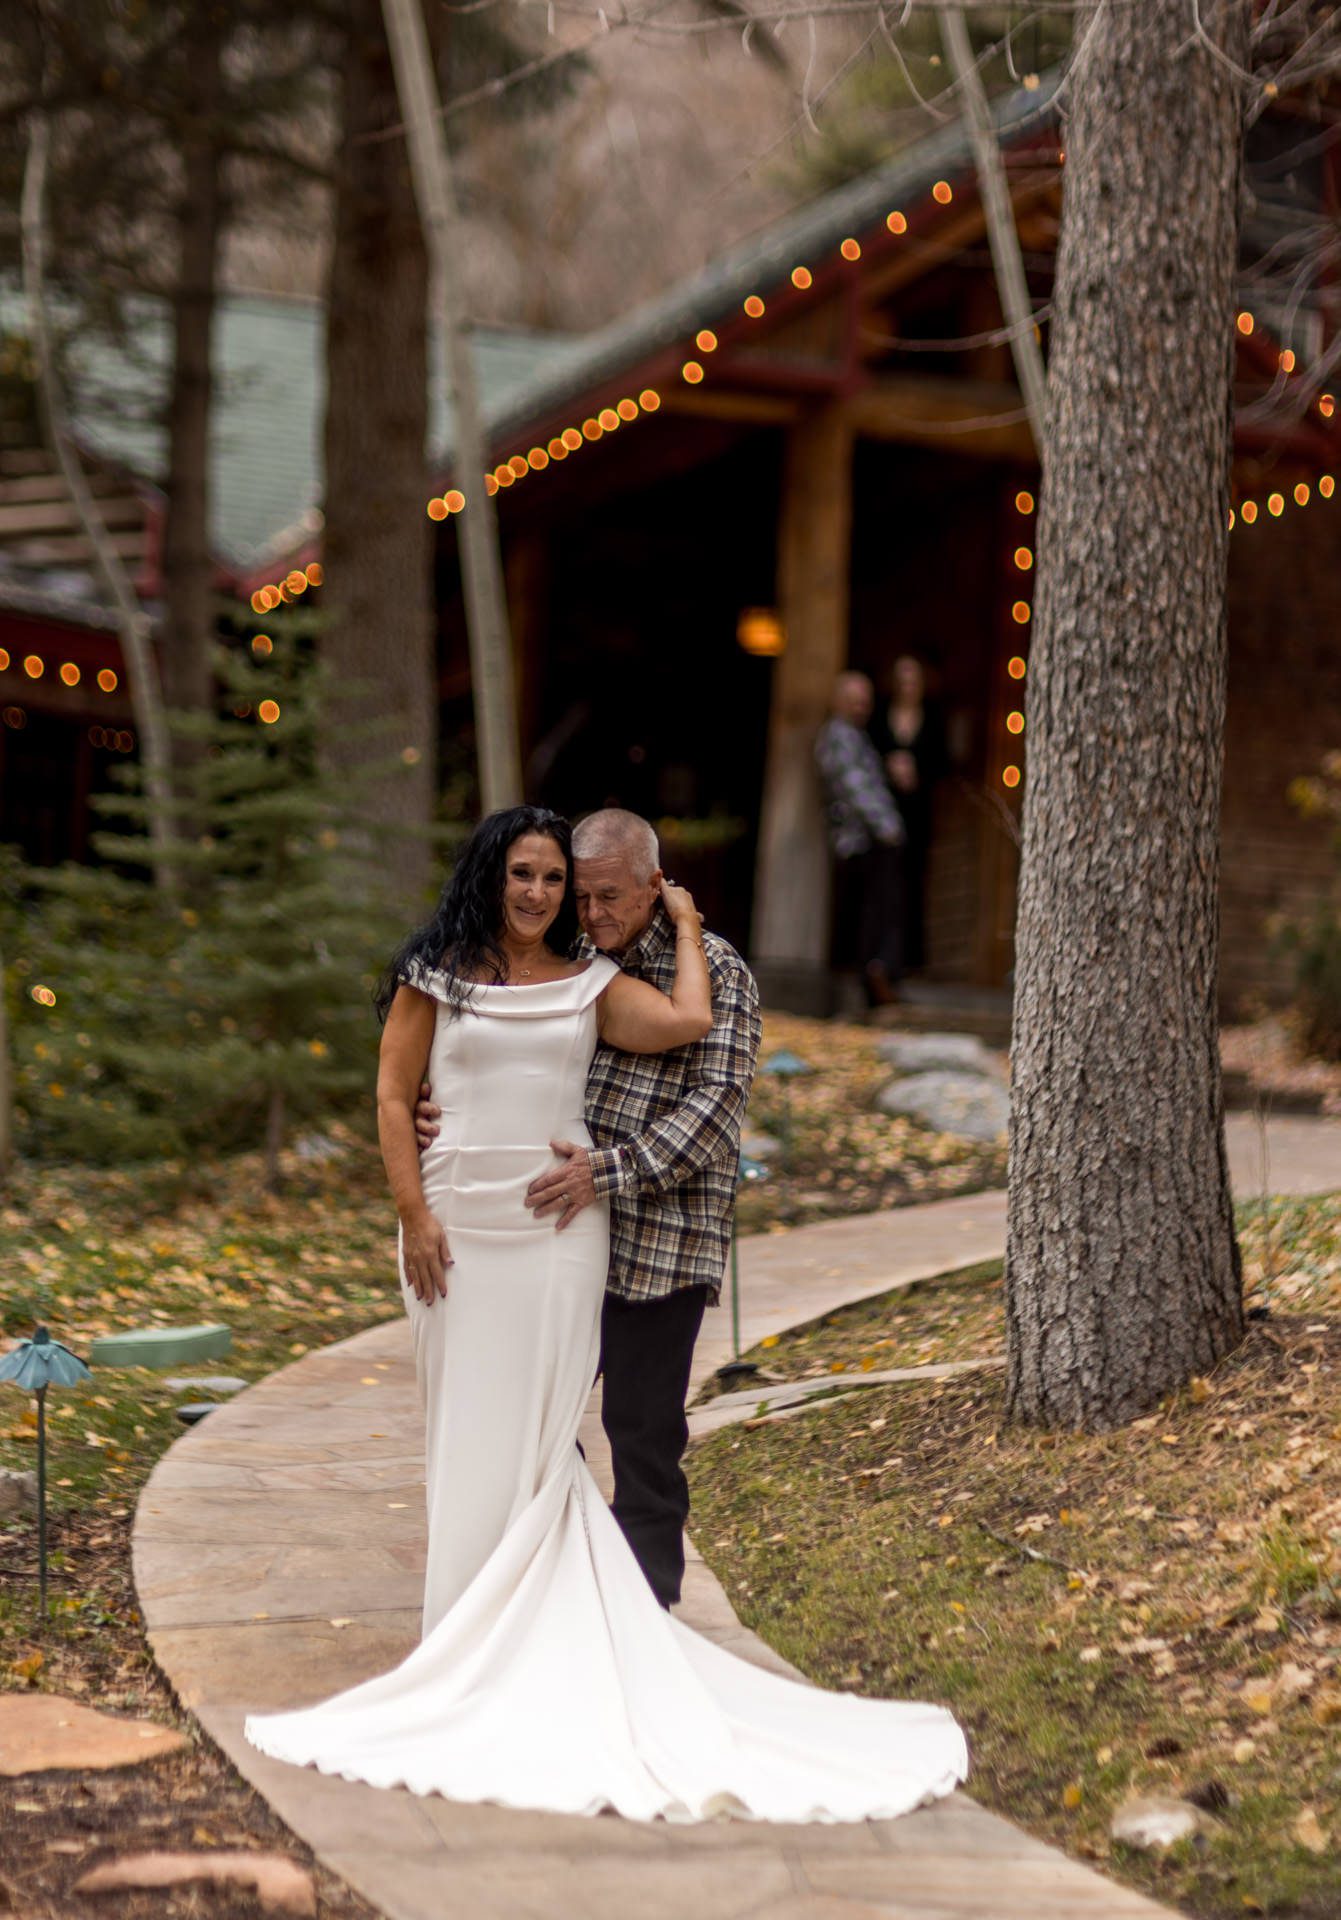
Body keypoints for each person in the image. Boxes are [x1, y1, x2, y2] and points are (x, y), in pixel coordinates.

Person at [245, 805, 966, 1822]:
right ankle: (510, 1623)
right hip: (535, 1235)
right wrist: (430, 1125)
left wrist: (604, 1168)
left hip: (643, 1246)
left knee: (641, 1438)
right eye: (566, 888)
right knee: (520, 1441)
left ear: (654, 884)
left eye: (601, 894)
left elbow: (710, 1110)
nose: (580, 908)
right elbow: (434, 1068)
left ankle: (641, 1630)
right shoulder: (552, 956)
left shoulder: (700, 966)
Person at [814, 671, 906, 1006]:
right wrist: (888, 827)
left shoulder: (856, 735)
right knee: (869, 916)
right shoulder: (839, 735)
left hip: (865, 838)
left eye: (865, 700)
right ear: (838, 700)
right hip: (860, 840)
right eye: (854, 699)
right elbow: (856, 789)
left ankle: (873, 985)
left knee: (874, 914)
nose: (861, 706)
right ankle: (868, 987)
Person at [868, 655, 944, 975]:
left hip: (916, 810)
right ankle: (877, 960)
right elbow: (866, 755)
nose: (908, 686)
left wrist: (916, 774)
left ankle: (907, 961)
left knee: (912, 882)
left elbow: (943, 761)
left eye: (914, 680)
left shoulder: (934, 719)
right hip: (879, 808)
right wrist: (888, 768)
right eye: (903, 680)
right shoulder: (879, 717)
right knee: (881, 885)